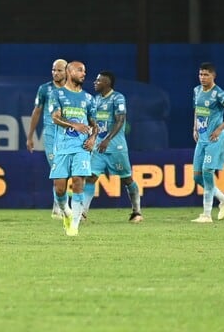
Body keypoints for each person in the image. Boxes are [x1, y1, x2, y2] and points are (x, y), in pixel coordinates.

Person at [82, 70, 143, 223]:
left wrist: (107, 139)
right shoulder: (95, 100)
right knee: (90, 177)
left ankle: (137, 212)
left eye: (99, 80)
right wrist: (93, 137)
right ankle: (82, 213)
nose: (95, 82)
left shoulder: (118, 98)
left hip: (116, 147)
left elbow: (120, 120)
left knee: (127, 179)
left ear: (107, 83)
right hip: (98, 147)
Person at [50, 61, 97, 237]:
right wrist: (73, 124)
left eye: (84, 71)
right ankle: (66, 212)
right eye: (80, 70)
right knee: (60, 188)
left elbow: (95, 124)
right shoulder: (58, 94)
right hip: (62, 147)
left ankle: (74, 225)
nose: (83, 74)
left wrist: (92, 138)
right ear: (69, 72)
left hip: (81, 147)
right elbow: (55, 118)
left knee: (78, 181)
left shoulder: (88, 98)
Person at [191, 62, 224, 223]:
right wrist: (194, 127)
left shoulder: (219, 94)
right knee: (197, 177)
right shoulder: (197, 90)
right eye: (200, 74)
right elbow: (197, 110)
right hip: (202, 139)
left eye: (206, 75)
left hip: (214, 139)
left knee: (207, 172)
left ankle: (206, 215)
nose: (202, 78)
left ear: (214, 76)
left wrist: (220, 129)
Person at [26, 58, 68, 219]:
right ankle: (59, 207)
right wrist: (30, 136)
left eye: (59, 70)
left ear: (67, 71)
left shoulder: (73, 90)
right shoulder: (44, 89)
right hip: (51, 135)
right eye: (53, 70)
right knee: (58, 169)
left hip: (68, 135)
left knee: (67, 171)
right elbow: (37, 111)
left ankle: (60, 205)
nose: (55, 73)